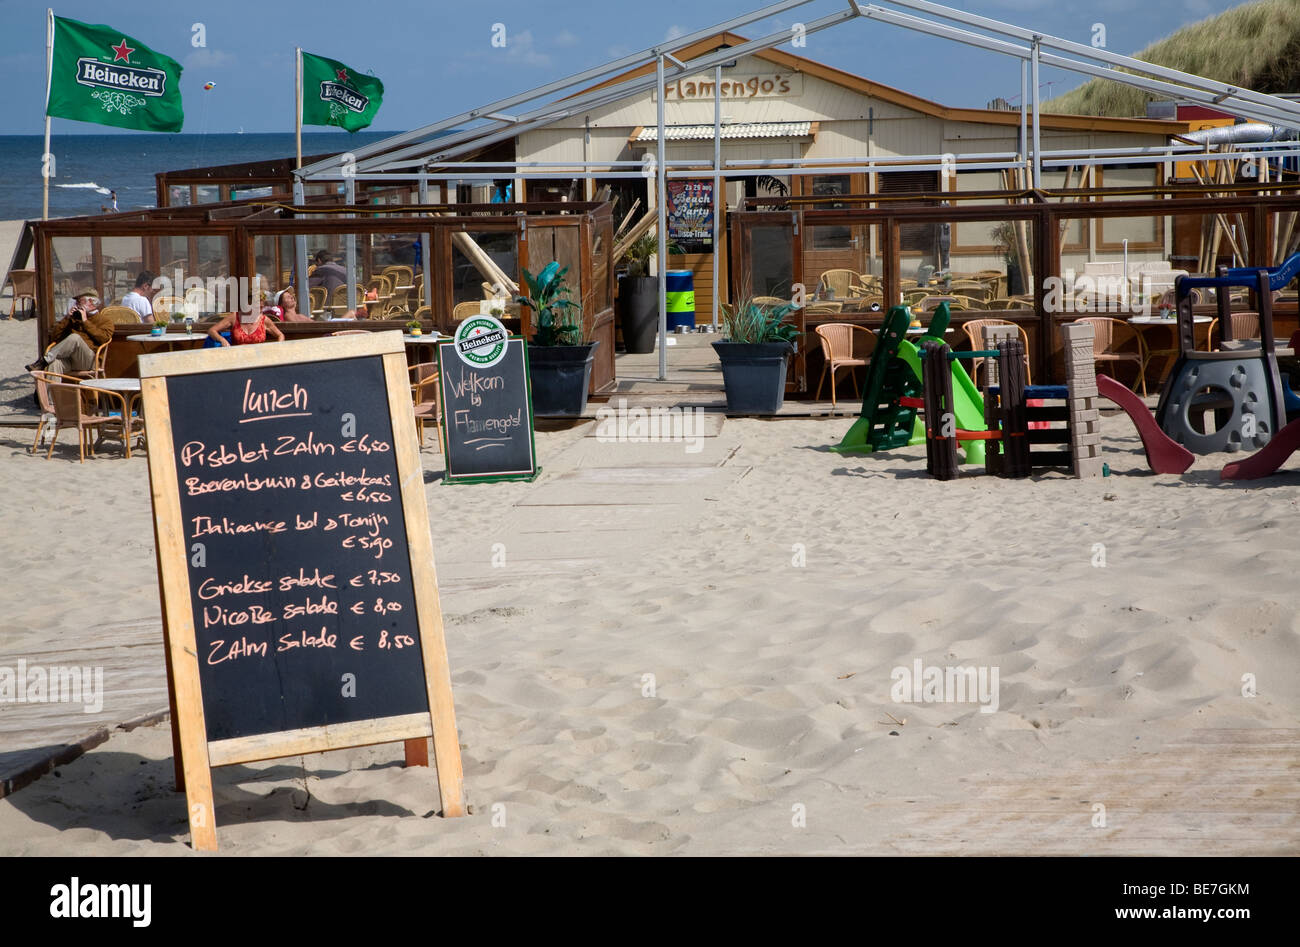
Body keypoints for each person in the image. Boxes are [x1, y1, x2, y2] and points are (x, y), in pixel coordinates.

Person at [27, 291, 114, 374]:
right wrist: (67, 318)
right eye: (76, 302)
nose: (76, 305)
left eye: (79, 302)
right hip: (71, 359)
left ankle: (44, 361)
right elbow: (55, 336)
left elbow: (104, 339)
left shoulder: (105, 321)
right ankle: (47, 389)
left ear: (91, 302)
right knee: (54, 364)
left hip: (89, 360)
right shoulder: (73, 319)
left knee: (75, 338)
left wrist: (85, 321)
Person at [207, 301, 285, 346]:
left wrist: (277, 348)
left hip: (258, 359)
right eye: (258, 303)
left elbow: (280, 335)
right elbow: (212, 330)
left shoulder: (264, 320)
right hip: (237, 359)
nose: (262, 306)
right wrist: (222, 340)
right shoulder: (235, 317)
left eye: (262, 305)